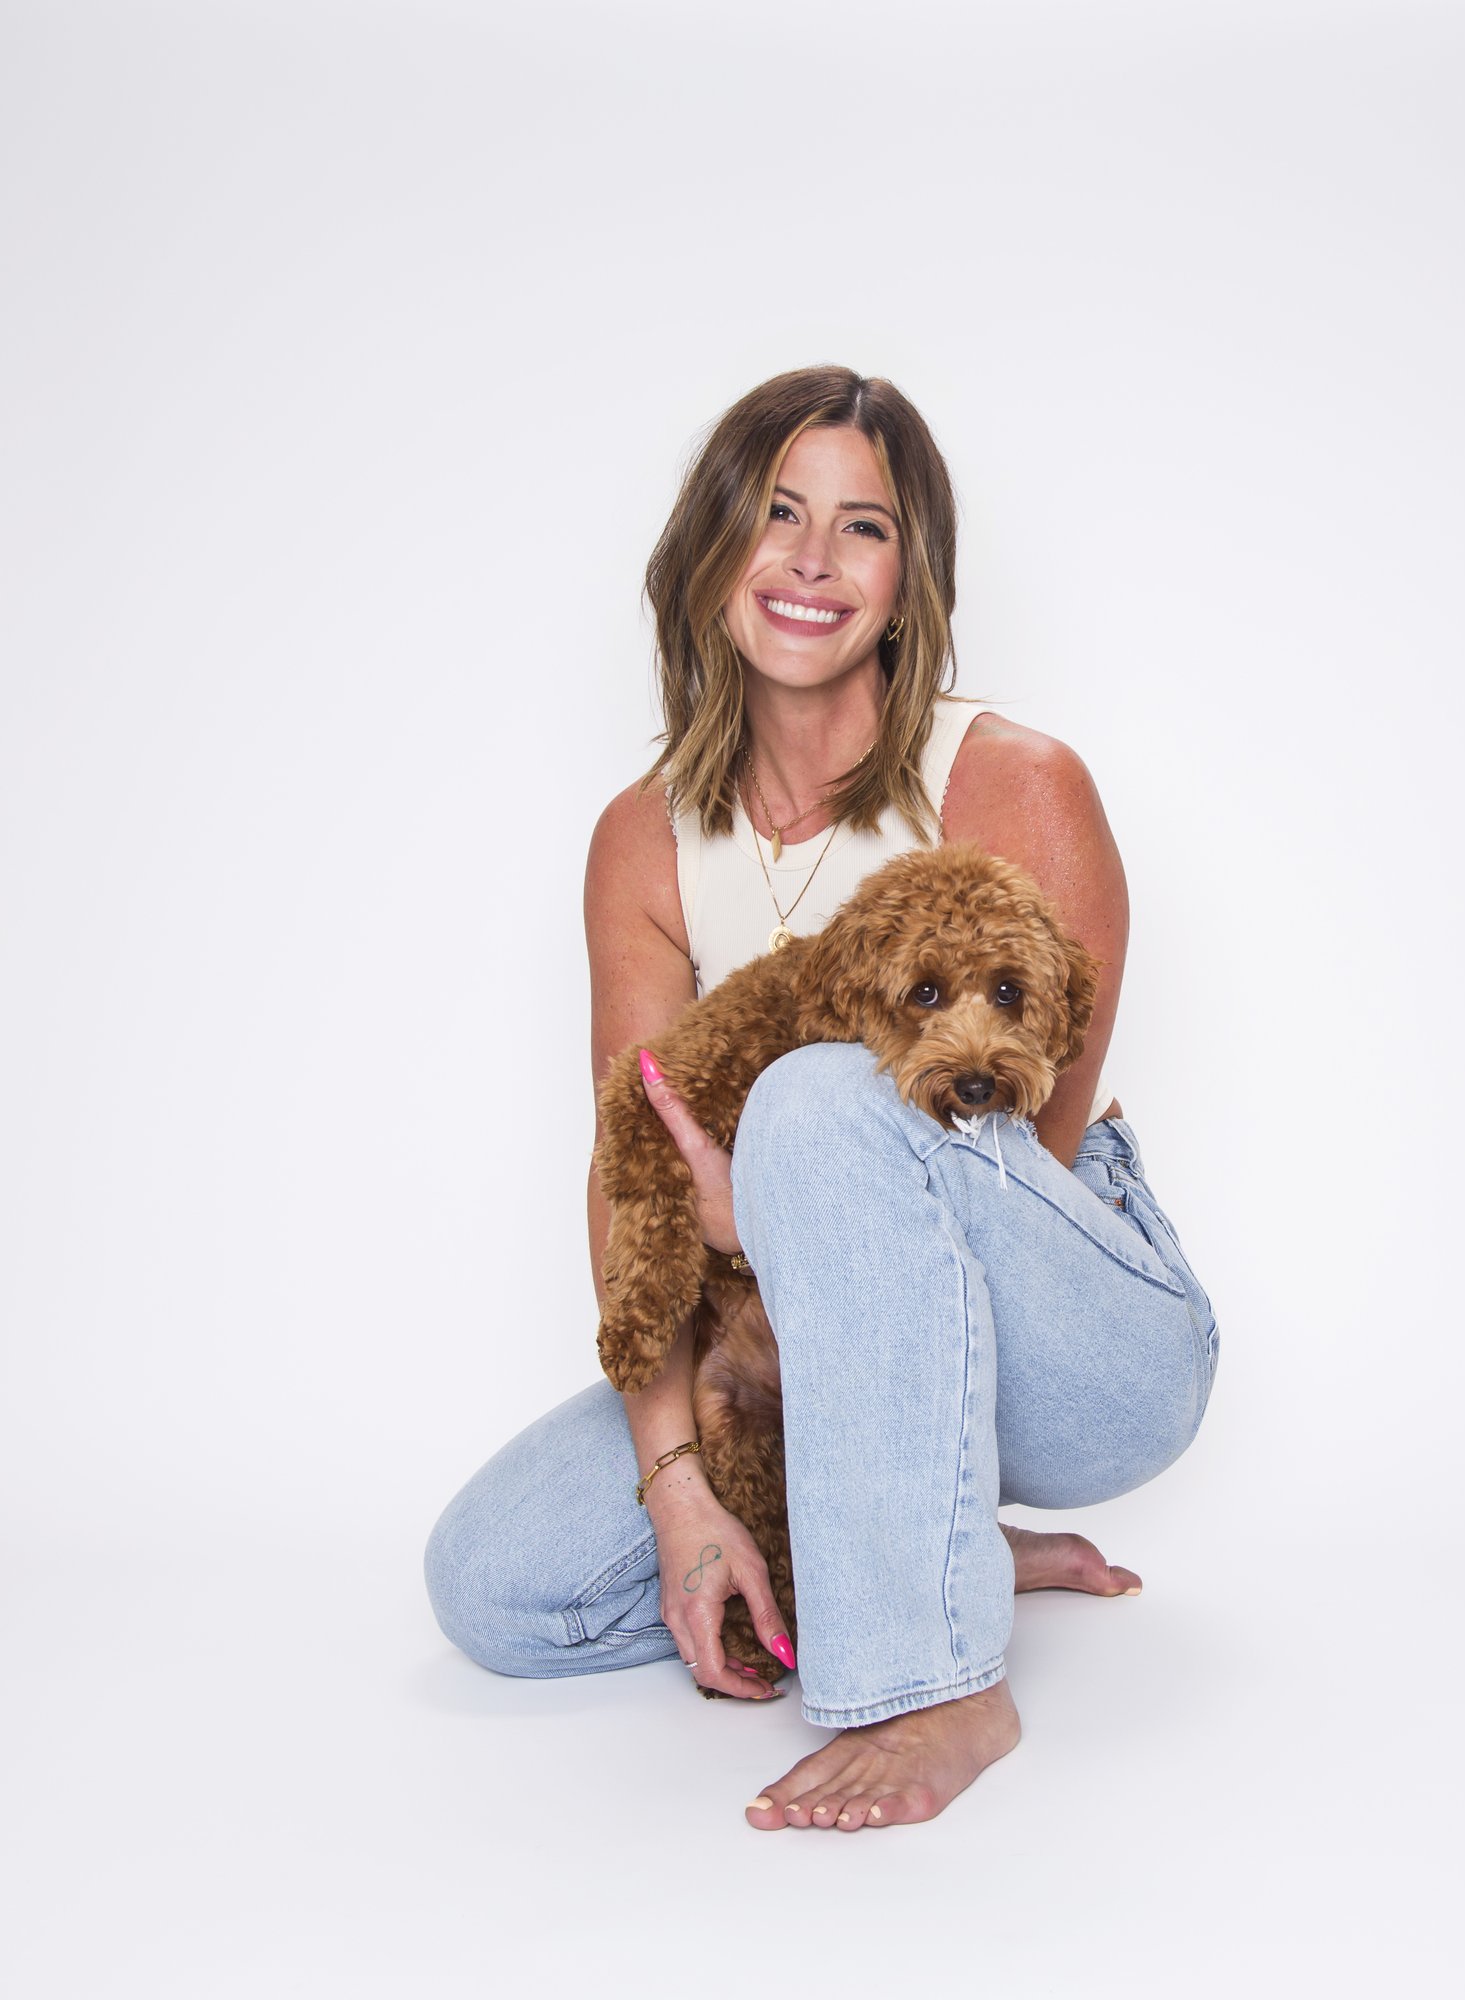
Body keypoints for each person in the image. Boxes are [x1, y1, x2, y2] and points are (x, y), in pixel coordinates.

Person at [423, 366, 1218, 1831]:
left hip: (1077, 1350)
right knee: (492, 1585)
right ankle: (930, 1541)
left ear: (910, 581)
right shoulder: (642, 842)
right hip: (787, 1353)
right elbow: (634, 1163)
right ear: (714, 550)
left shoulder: (1012, 783)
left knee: (810, 1099)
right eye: (778, 513)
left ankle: (939, 1679)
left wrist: (776, 1205)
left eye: (861, 527)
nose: (808, 559)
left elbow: (1013, 1152)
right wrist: (676, 1487)